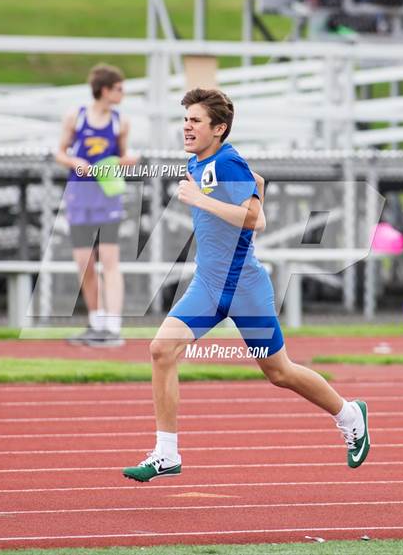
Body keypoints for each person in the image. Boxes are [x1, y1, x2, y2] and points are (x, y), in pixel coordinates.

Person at [123, 88, 370, 482]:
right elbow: (256, 180)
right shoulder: (201, 161)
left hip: (243, 287)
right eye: (185, 119)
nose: (187, 126)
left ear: (218, 128)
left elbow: (256, 220)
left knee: (280, 373)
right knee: (161, 349)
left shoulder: (227, 161)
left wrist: (201, 200)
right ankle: (166, 452)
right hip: (207, 283)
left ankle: (349, 413)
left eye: (196, 120)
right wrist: (242, 189)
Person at [56, 63, 135, 347]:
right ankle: (96, 321)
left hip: (107, 200)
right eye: (119, 88)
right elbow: (60, 152)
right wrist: (74, 162)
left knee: (110, 261)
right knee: (84, 263)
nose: (122, 93)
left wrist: (128, 160)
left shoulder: (120, 122)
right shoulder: (75, 117)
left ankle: (113, 326)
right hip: (79, 198)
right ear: (105, 90)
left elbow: (125, 155)